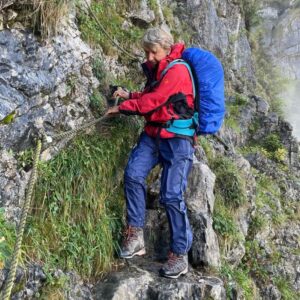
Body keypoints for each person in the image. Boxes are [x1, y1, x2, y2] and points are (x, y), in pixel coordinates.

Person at [105, 27, 195, 279]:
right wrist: (129, 95)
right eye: (146, 52)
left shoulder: (177, 69)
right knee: (133, 174)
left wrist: (123, 107)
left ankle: (179, 254)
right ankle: (135, 234)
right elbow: (151, 95)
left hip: (178, 139)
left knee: (171, 195)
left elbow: (154, 101)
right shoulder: (161, 69)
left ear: (165, 48)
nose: (148, 58)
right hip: (154, 133)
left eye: (152, 52)